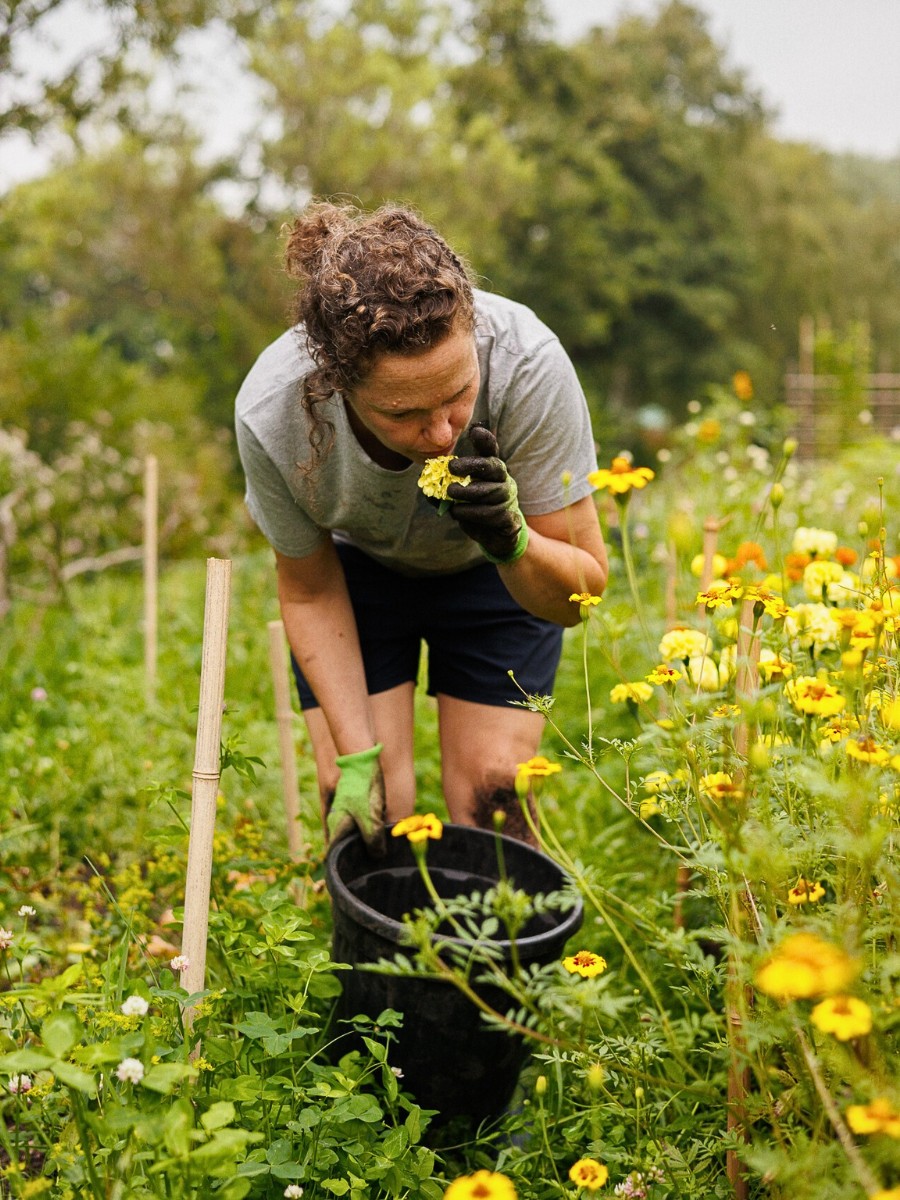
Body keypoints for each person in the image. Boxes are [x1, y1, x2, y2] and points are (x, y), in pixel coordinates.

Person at [235, 200, 607, 851]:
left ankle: (503, 928)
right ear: (337, 386)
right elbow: (310, 592)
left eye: (459, 395)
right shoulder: (275, 412)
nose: (440, 434)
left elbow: (580, 595)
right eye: (403, 413)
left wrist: (513, 540)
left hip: (497, 568)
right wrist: (356, 761)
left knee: (496, 797)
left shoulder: (527, 364)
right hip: (358, 572)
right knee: (368, 811)